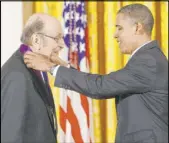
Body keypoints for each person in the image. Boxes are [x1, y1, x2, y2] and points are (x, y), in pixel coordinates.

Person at [24, 4, 168, 143]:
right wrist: (65, 67)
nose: (115, 35)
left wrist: (52, 67)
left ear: (137, 28)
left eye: (120, 28)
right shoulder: (148, 58)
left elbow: (100, 86)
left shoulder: (148, 61)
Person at [1, 13, 65, 143]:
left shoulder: (35, 66)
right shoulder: (17, 76)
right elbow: (10, 136)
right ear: (36, 40)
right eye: (57, 38)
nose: (62, 44)